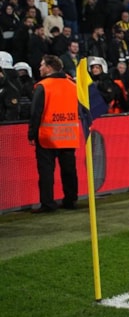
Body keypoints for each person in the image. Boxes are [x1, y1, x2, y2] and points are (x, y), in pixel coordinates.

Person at [28, 55, 80, 212]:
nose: (39, 68)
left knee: (46, 173)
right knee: (69, 171)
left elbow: (36, 113)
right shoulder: (73, 84)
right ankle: (70, 200)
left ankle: (48, 203)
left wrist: (31, 134)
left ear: (49, 68)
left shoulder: (43, 86)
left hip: (47, 137)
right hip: (69, 135)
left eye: (42, 65)